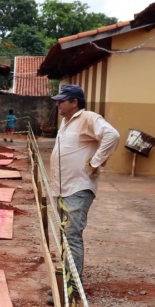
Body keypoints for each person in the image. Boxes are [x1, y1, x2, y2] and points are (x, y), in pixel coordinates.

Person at [50, 84, 120, 284]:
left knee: (72, 236)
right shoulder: (66, 122)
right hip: (63, 188)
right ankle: (68, 277)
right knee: (66, 235)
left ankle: (72, 285)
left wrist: (96, 161)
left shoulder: (87, 118)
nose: (58, 104)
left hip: (79, 188)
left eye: (62, 101)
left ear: (74, 102)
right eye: (58, 101)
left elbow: (112, 135)